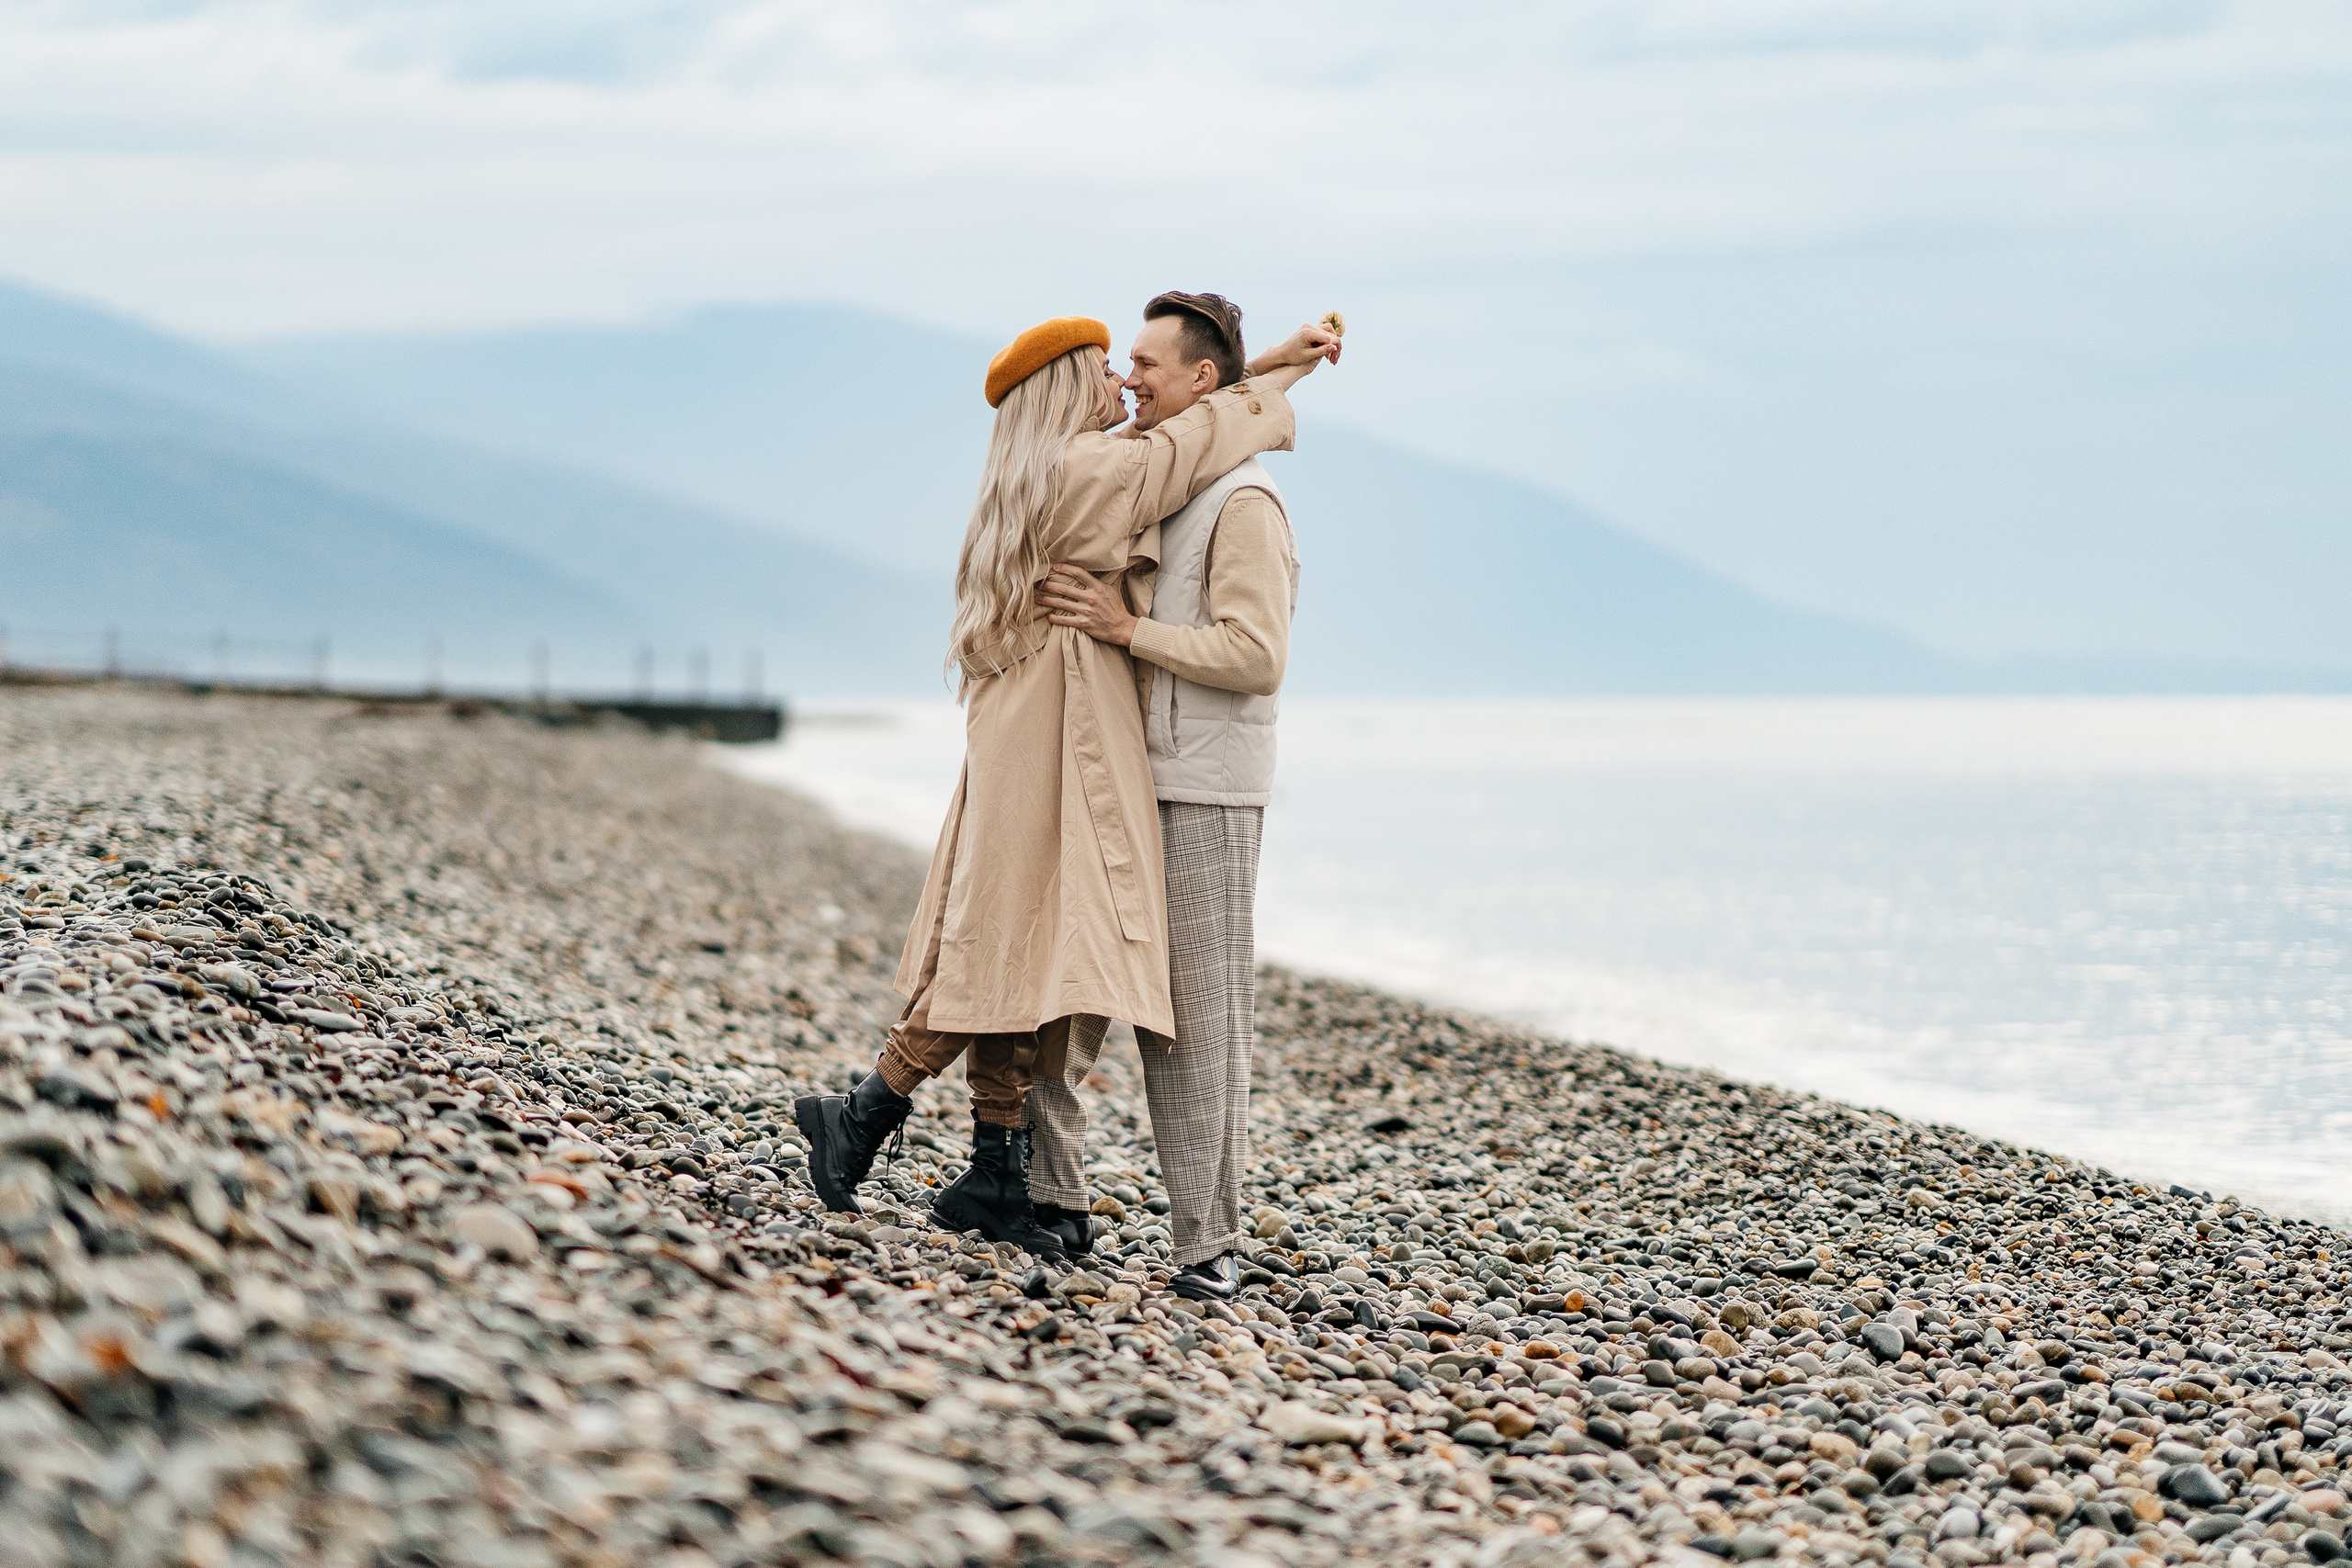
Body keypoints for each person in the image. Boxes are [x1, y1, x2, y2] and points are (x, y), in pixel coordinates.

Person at [795, 311, 1340, 1258]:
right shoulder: (1088, 471)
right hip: (1051, 731)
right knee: (1008, 947)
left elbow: (1194, 418)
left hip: (1032, 726)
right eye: (1105, 368)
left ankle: (998, 1172)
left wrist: (1278, 363)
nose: (1122, 382)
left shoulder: (1045, 469)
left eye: (1134, 366)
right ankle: (868, 1111)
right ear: (1066, 387)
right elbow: (1199, 429)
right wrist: (1279, 377)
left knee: (1021, 942)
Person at [1023, 291, 1315, 1300]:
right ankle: (1052, 1200)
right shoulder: (1162, 475)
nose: (1130, 378)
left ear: (1202, 380)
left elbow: (1257, 656)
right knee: (1069, 995)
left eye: (1148, 363)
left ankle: (1208, 1246)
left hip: (1206, 792)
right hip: (1122, 775)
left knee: (1195, 1024)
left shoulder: (1245, 504)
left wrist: (1123, 628)